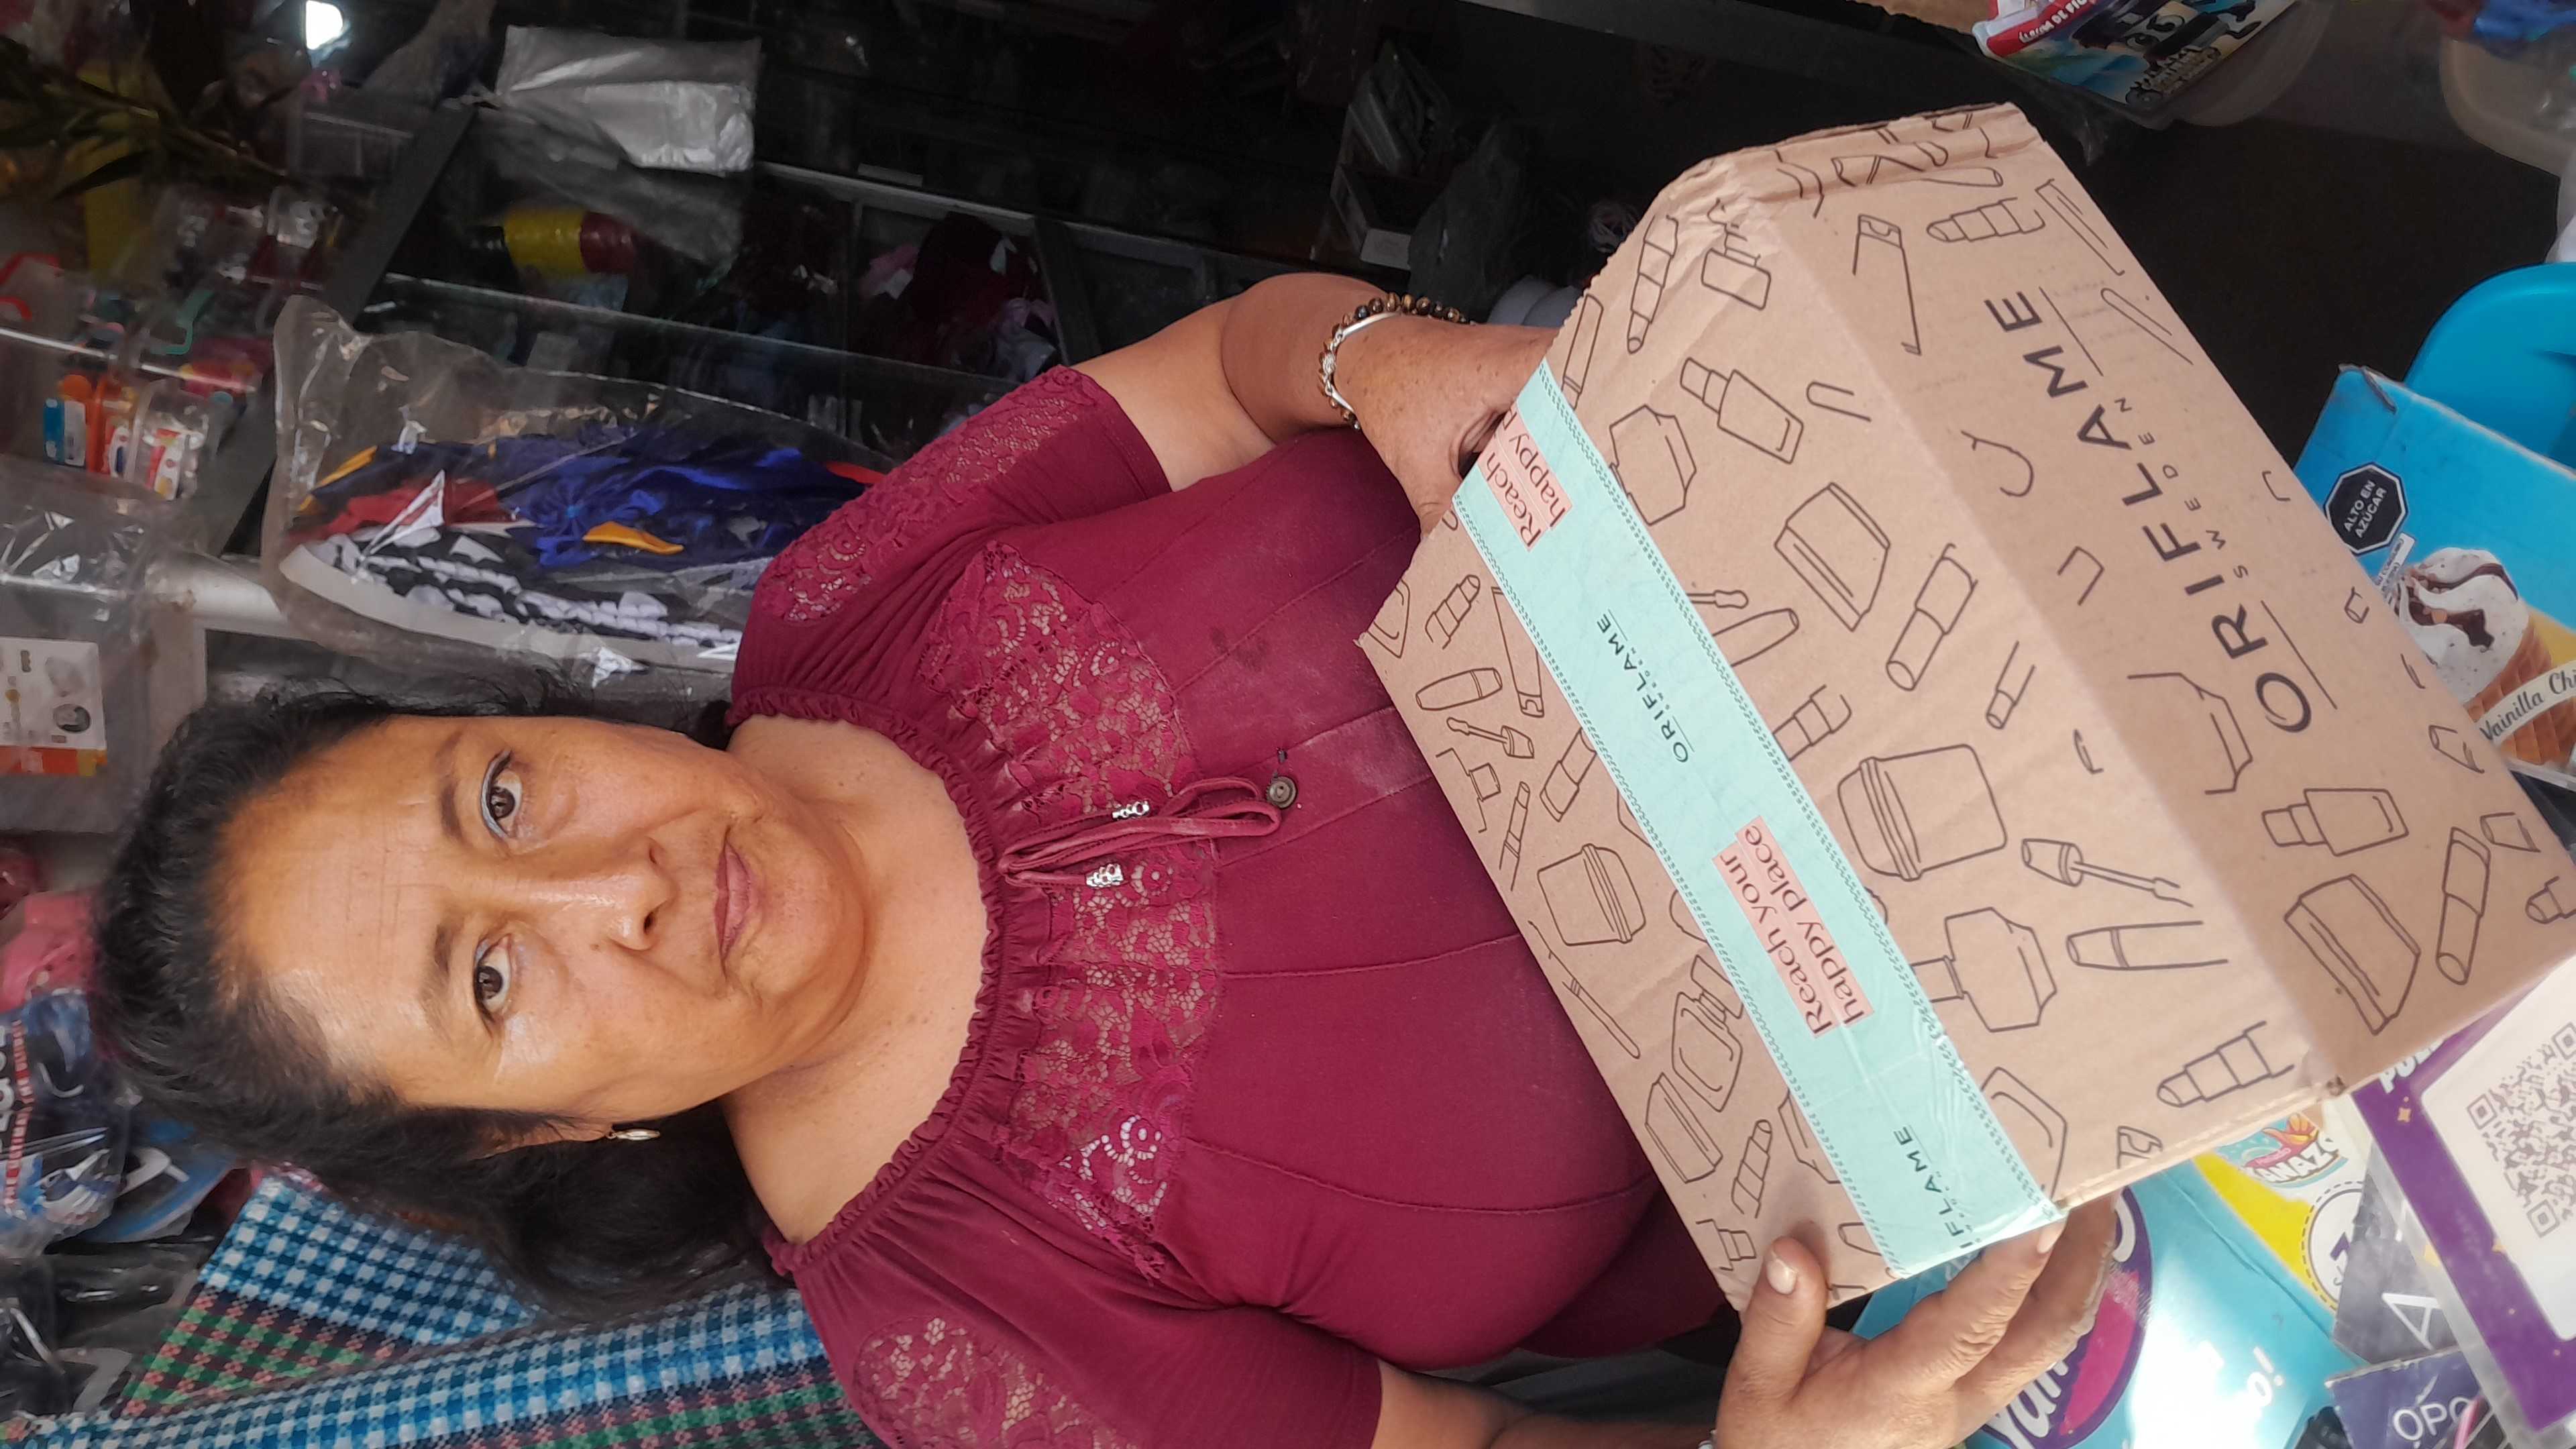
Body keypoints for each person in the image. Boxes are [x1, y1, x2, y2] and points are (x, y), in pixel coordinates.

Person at [93, 274, 2113, 1449]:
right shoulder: (971, 1338)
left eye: (499, 800)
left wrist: (1382, 361)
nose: (602, 890)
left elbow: (1237, 366)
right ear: (535, 1137)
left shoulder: (849, 606)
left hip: (1965, 589)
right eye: (491, 981)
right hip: (2046, 1081)